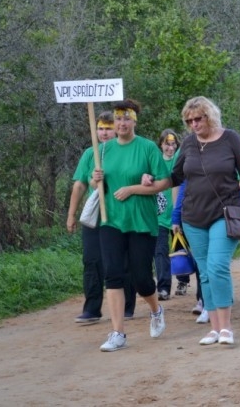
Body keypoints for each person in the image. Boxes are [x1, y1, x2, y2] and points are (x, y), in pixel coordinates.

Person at [172, 97, 240, 346]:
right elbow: (173, 177)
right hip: (193, 216)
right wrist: (149, 181)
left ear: (210, 115)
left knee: (217, 266)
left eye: (198, 118)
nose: (194, 124)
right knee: (205, 273)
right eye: (189, 120)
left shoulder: (230, 138)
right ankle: (214, 329)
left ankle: (227, 327)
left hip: (225, 213)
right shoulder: (188, 144)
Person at [91, 99, 171, 351]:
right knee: (113, 274)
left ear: (134, 121)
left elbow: (164, 182)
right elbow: (99, 187)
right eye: (118, 118)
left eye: (126, 118)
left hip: (141, 221)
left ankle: (156, 309)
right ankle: (117, 333)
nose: (122, 123)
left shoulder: (147, 148)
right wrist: (96, 180)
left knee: (141, 278)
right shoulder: (102, 150)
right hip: (111, 220)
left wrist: (134, 189)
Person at [67, 111, 136, 324]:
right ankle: (92, 308)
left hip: (120, 212)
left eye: (108, 128)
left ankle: (126, 305)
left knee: (121, 260)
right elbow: (79, 184)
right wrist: (71, 215)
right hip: (96, 214)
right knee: (92, 259)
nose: (104, 133)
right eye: (100, 128)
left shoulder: (123, 150)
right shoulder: (90, 154)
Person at [171, 180, 208, 323]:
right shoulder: (191, 164)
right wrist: (175, 219)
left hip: (218, 218)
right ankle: (203, 301)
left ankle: (220, 298)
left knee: (216, 263)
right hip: (194, 221)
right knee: (201, 264)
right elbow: (182, 191)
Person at [155, 129, 180, 301]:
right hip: (160, 216)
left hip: (179, 213)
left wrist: (177, 214)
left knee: (181, 247)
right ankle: (163, 287)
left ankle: (184, 279)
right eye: (167, 144)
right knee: (160, 251)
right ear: (161, 145)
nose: (170, 148)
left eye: (173, 144)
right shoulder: (156, 162)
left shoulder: (179, 160)